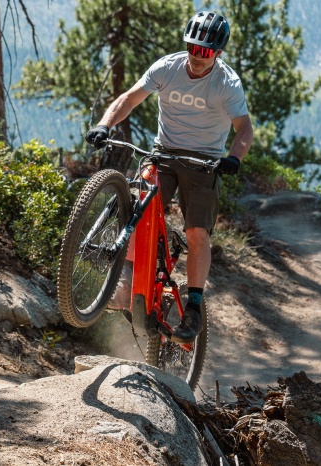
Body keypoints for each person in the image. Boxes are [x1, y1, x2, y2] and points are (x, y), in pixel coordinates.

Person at [84, 10, 253, 344]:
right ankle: (127, 277)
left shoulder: (227, 83)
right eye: (192, 47)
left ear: (218, 53)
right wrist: (104, 124)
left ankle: (193, 307)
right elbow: (129, 98)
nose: (197, 55)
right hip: (164, 153)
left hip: (204, 162)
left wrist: (234, 157)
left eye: (205, 51)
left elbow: (244, 128)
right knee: (139, 209)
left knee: (196, 232)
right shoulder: (168, 67)